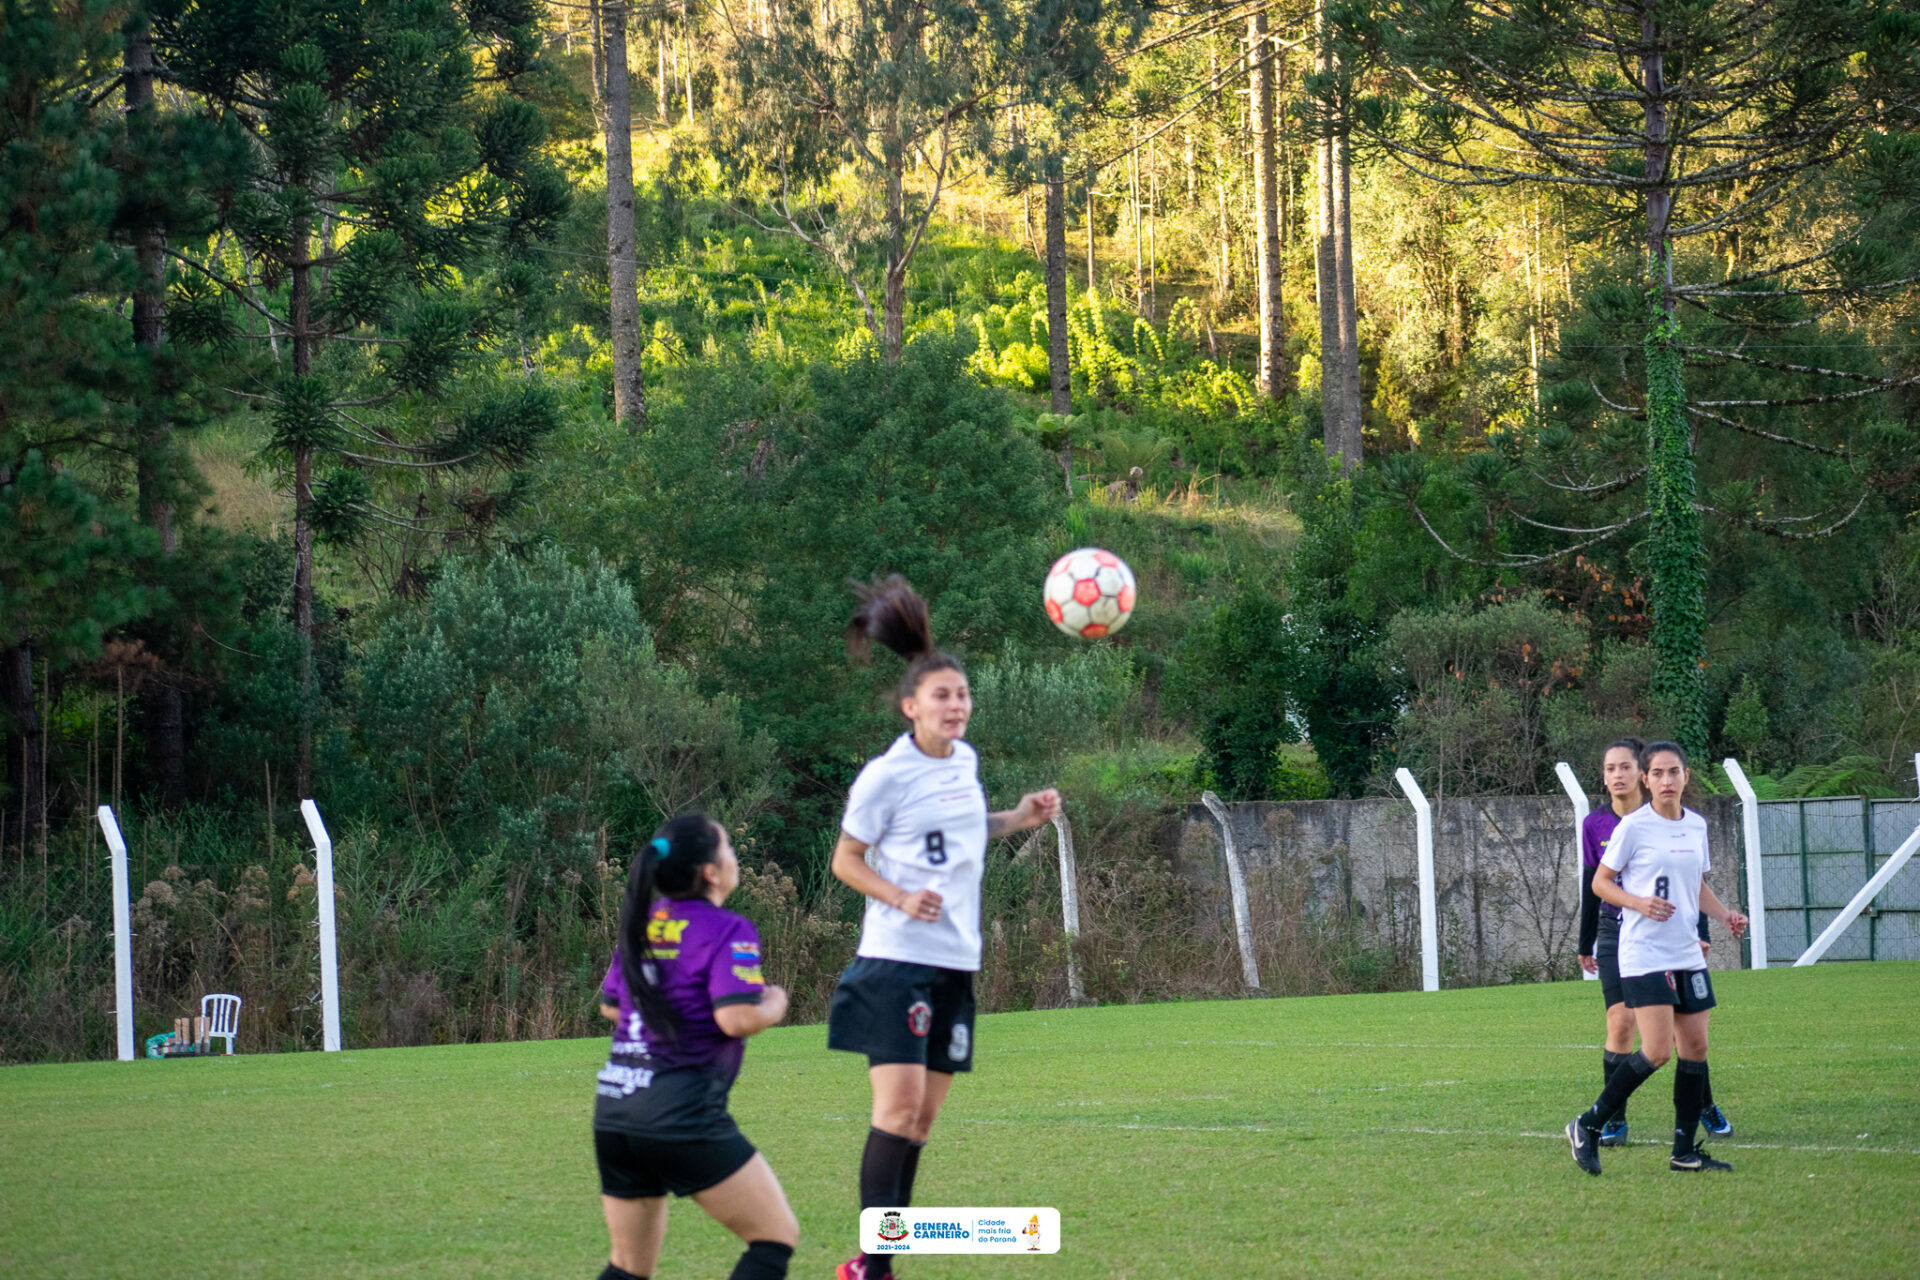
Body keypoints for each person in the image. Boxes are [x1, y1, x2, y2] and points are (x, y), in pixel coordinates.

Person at [826, 577, 1061, 1280]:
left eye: (961, 695)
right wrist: (899, 897)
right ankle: (874, 1265)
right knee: (896, 1113)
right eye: (941, 696)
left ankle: (880, 1257)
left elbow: (960, 834)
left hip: (957, 961)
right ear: (910, 708)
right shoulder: (884, 777)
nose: (956, 705)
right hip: (895, 962)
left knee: (921, 1123)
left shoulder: (966, 763)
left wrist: (1018, 818)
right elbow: (845, 860)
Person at [593, 813, 798, 1280]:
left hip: (616, 1110)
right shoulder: (728, 928)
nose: (733, 857)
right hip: (680, 1113)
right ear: (710, 871)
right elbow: (737, 1017)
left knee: (628, 1266)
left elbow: (611, 1007)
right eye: (727, 847)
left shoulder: (644, 923)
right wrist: (775, 1002)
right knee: (774, 1237)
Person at [1566, 743, 1748, 1175]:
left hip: (1686, 952)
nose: (1666, 781)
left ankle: (1684, 1152)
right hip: (1643, 952)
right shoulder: (1633, 827)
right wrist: (1638, 903)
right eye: (1658, 774)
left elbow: (1695, 885)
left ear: (1686, 777)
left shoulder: (1697, 826)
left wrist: (1724, 915)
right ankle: (1588, 1124)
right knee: (1656, 1051)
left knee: (1696, 1047)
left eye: (1674, 772)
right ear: (1646, 780)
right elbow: (1601, 884)